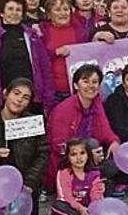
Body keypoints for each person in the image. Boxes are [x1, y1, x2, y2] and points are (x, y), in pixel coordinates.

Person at [0, 78, 50, 215]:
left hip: (24, 181)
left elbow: (43, 153)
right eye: (16, 93)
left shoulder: (33, 123)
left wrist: (30, 183)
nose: (20, 99)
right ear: (5, 94)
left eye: (26, 97)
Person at [44, 64, 121, 195]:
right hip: (66, 160)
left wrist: (114, 142)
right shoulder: (63, 109)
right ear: (75, 85)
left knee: (115, 163)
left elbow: (105, 131)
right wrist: (87, 153)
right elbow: (59, 146)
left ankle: (91, 182)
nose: (91, 86)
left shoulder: (96, 104)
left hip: (87, 158)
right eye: (85, 81)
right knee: (92, 145)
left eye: (95, 82)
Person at [51, 139, 104, 215]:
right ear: (68, 157)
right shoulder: (64, 173)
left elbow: (96, 196)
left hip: (88, 209)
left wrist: (92, 209)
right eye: (74, 154)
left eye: (82, 153)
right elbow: (65, 196)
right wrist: (80, 208)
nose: (79, 158)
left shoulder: (94, 174)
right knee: (58, 205)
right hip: (72, 208)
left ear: (88, 155)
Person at [40, 0, 87, 101]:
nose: (63, 13)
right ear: (49, 14)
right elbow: (38, 59)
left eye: (66, 9)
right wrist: (55, 52)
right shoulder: (42, 32)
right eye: (57, 10)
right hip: (54, 91)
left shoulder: (79, 31)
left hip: (78, 89)